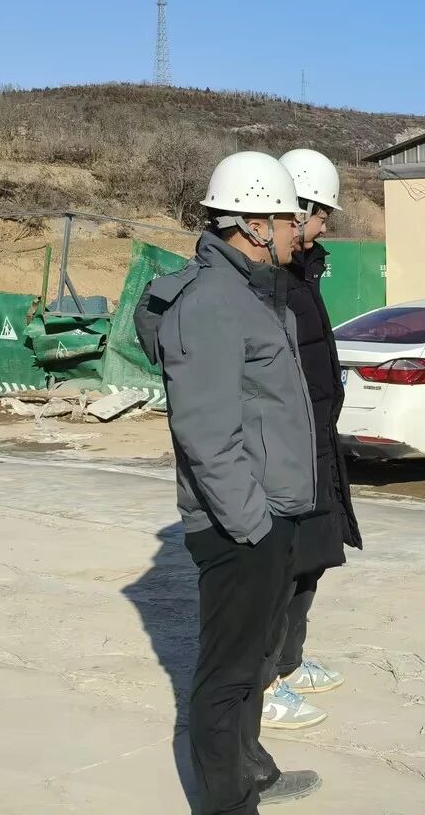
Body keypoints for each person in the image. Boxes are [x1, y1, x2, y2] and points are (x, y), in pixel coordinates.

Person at [136, 151, 321, 812]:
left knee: (252, 669)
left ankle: (251, 773)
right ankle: (227, 804)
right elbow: (205, 431)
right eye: (288, 219)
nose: (300, 231)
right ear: (252, 223)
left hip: (270, 514)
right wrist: (252, 525)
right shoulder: (211, 301)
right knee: (226, 677)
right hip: (238, 524)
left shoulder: (250, 293)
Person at [259, 149, 362, 731]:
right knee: (279, 569)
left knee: (312, 559)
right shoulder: (267, 281)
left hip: (317, 438)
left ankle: (289, 663)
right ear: (295, 210)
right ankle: (264, 683)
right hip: (286, 447)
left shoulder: (302, 272)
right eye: (322, 214)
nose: (325, 227)